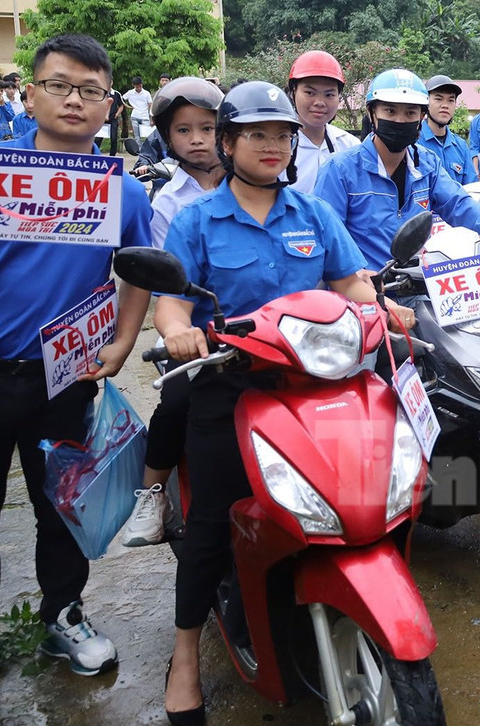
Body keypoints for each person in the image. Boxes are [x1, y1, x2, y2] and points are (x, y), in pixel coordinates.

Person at [0, 34, 152, 717]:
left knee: (63, 510)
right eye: (60, 85)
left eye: (91, 90)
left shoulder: (119, 189)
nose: (75, 100)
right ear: (31, 93)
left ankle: (64, 617)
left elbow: (137, 270)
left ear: (109, 106)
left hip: (65, 378)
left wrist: (123, 340)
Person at [156, 82, 380, 725]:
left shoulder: (311, 212)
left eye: (281, 136)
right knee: (211, 525)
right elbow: (171, 296)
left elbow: (348, 280)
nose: (272, 146)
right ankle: (187, 654)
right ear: (227, 144)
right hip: (230, 386)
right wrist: (176, 328)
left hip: (316, 386)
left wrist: (379, 306)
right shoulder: (198, 219)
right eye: (256, 135)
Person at [119, 78, 226, 549]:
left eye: (207, 126)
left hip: (265, 324)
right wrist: (180, 328)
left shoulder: (261, 185)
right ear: (167, 136)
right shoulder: (169, 201)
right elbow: (167, 282)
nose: (198, 138)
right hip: (198, 333)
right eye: (184, 130)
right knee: (178, 401)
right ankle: (153, 491)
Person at [315, 69, 480, 273]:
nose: (400, 120)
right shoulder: (340, 170)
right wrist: (356, 277)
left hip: (419, 285)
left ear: (421, 117)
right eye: (390, 111)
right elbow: (328, 239)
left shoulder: (426, 163)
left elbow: (459, 204)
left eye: (410, 113)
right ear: (372, 113)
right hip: (364, 295)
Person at [286, 49, 361, 192]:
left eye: (329, 94)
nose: (320, 102)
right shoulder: (278, 147)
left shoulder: (350, 146)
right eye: (310, 93)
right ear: (293, 91)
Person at [419, 75, 477, 185]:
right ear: (426, 102)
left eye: (451, 100)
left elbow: (471, 188)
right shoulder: (413, 143)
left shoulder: (461, 146)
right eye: (438, 99)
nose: (445, 105)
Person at [122, 76, 154, 140]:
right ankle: (138, 149)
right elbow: (121, 99)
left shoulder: (146, 93)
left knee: (146, 135)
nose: (139, 87)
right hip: (135, 116)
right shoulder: (130, 92)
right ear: (134, 85)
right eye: (137, 86)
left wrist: (151, 117)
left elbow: (150, 104)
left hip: (144, 116)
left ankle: (146, 149)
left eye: (140, 86)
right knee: (137, 136)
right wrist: (129, 107)